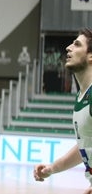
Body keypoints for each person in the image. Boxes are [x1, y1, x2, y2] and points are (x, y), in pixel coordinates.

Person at [34, 28, 92, 193]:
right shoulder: (83, 96)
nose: (68, 47)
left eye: (77, 44)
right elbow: (85, 146)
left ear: (90, 56)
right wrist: (52, 168)